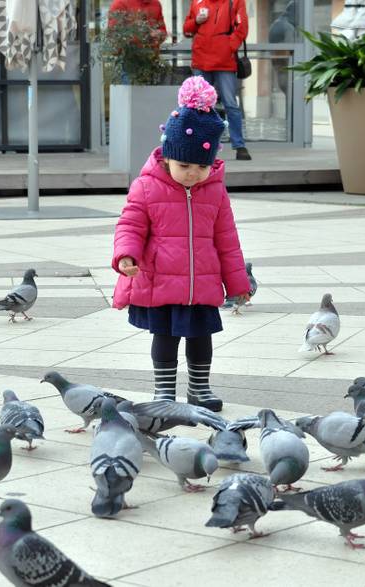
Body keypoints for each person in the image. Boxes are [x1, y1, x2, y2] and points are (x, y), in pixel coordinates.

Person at [111, 76, 250, 412]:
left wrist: (237, 283)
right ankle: (164, 391)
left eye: (201, 167)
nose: (192, 174)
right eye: (184, 165)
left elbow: (227, 241)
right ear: (167, 157)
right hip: (161, 281)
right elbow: (129, 224)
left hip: (201, 284)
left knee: (202, 339)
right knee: (165, 338)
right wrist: (126, 255)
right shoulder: (146, 187)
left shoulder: (215, 190)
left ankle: (200, 388)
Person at [183, 0, 251, 160]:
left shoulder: (236, 2)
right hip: (201, 59)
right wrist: (196, 22)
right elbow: (186, 30)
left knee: (230, 104)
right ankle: (199, 145)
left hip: (225, 61)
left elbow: (242, 28)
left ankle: (239, 145)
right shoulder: (197, 2)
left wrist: (229, 47)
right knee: (198, 105)